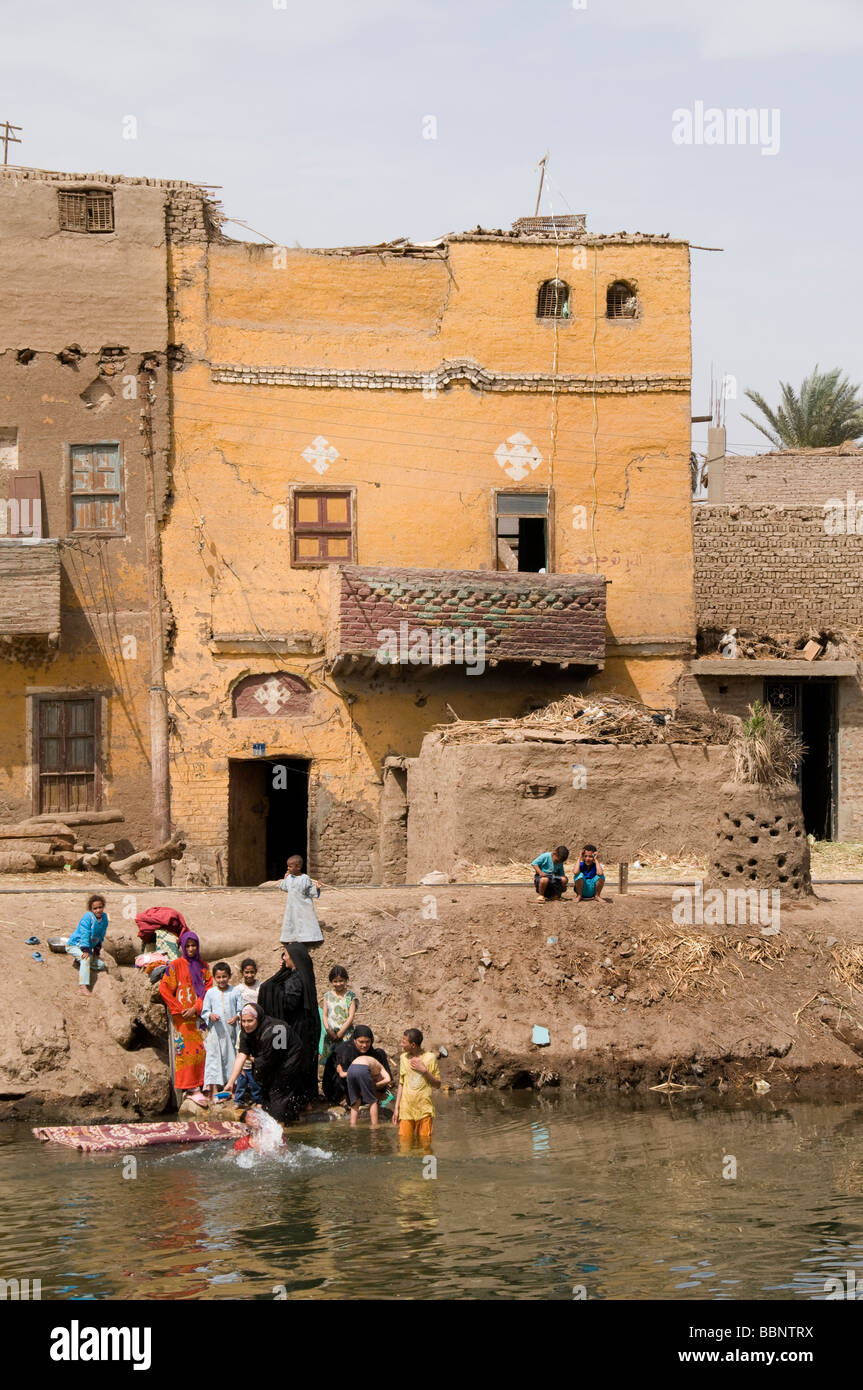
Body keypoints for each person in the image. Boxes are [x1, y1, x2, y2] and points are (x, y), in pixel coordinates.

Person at [258, 943, 320, 1105]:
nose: (283, 958)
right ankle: (304, 1099)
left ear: (294, 958)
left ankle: (296, 1101)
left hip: (297, 1028)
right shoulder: (300, 975)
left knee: (293, 1061)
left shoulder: (296, 979)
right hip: (302, 1027)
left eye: (285, 955)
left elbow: (288, 1003)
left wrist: (272, 992)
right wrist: (283, 971)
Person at [226, 1003, 307, 1124]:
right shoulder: (245, 1031)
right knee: (266, 1091)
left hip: (289, 1059)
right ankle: (283, 1117)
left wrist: (252, 1059)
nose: (246, 1025)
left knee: (279, 1090)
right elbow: (241, 1055)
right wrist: (231, 1082)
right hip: (268, 1060)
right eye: (243, 1021)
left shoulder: (276, 1029)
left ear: (258, 1019)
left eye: (250, 1021)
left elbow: (272, 1060)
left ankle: (281, 1123)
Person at [159, 931, 213, 1108]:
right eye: (187, 946)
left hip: (199, 1016)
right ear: (182, 947)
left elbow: (207, 990)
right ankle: (191, 1088)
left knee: (204, 1049)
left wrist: (196, 1008)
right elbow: (165, 989)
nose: (191, 949)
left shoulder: (204, 967)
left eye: (194, 945)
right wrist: (180, 1009)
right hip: (182, 1018)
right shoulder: (174, 966)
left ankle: (204, 1083)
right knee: (187, 1052)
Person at [201, 962, 243, 1105]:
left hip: (231, 1032)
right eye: (218, 977)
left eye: (224, 976)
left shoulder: (235, 991)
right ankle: (213, 1091)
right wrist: (210, 1015)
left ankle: (232, 1089)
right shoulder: (210, 993)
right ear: (214, 978)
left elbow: (240, 1009)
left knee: (232, 1058)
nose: (221, 980)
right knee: (213, 1060)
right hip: (216, 1033)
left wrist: (236, 1017)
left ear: (229, 976)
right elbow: (204, 1011)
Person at [323, 1024, 393, 1108]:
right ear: (354, 1040)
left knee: (380, 1053)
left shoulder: (370, 1051)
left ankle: (378, 1094)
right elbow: (344, 1076)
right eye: (361, 1042)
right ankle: (347, 1099)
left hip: (361, 1082)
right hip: (338, 1088)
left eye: (367, 1042)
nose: (364, 1045)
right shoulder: (345, 1051)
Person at [393, 1028, 441, 1147]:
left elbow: (438, 1084)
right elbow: (401, 1083)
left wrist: (424, 1071)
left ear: (413, 1045)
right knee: (404, 1145)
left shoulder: (430, 1058)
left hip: (424, 1110)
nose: (401, 1044)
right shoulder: (403, 1058)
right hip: (406, 1110)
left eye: (404, 1042)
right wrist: (396, 1108)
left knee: (425, 1146)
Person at [66, 893, 109, 995]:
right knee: (86, 959)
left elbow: (101, 935)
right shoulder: (88, 917)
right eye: (95, 908)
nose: (98, 910)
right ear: (91, 909)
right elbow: (85, 934)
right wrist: (85, 950)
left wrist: (97, 951)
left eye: (100, 907)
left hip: (88, 948)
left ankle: (79, 962)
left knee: (101, 965)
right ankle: (82, 987)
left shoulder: (104, 918)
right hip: (75, 945)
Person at [278, 854, 323, 945]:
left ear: (298, 867)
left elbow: (310, 891)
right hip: (292, 906)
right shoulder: (289, 878)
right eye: (288, 866)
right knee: (292, 921)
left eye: (290, 866)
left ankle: (309, 939)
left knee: (305, 921)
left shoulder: (305, 878)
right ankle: (291, 938)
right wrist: (284, 879)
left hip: (303, 906)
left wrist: (317, 888)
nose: (288, 868)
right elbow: (284, 888)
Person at [346, 1049, 391, 1128]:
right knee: (373, 1101)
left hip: (350, 1069)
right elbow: (388, 1079)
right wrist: (376, 1085)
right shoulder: (380, 1068)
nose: (375, 1080)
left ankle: (352, 1125)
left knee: (355, 1102)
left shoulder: (371, 1064)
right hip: (363, 1067)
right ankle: (375, 1125)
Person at [320, 965, 358, 1061]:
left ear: (346, 980)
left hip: (346, 1034)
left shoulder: (350, 996)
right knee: (330, 1061)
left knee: (345, 1059)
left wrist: (341, 1033)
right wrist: (329, 1031)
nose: (338, 984)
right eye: (335, 981)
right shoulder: (327, 996)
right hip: (330, 1035)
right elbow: (324, 1015)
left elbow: (351, 1016)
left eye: (341, 981)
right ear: (331, 981)